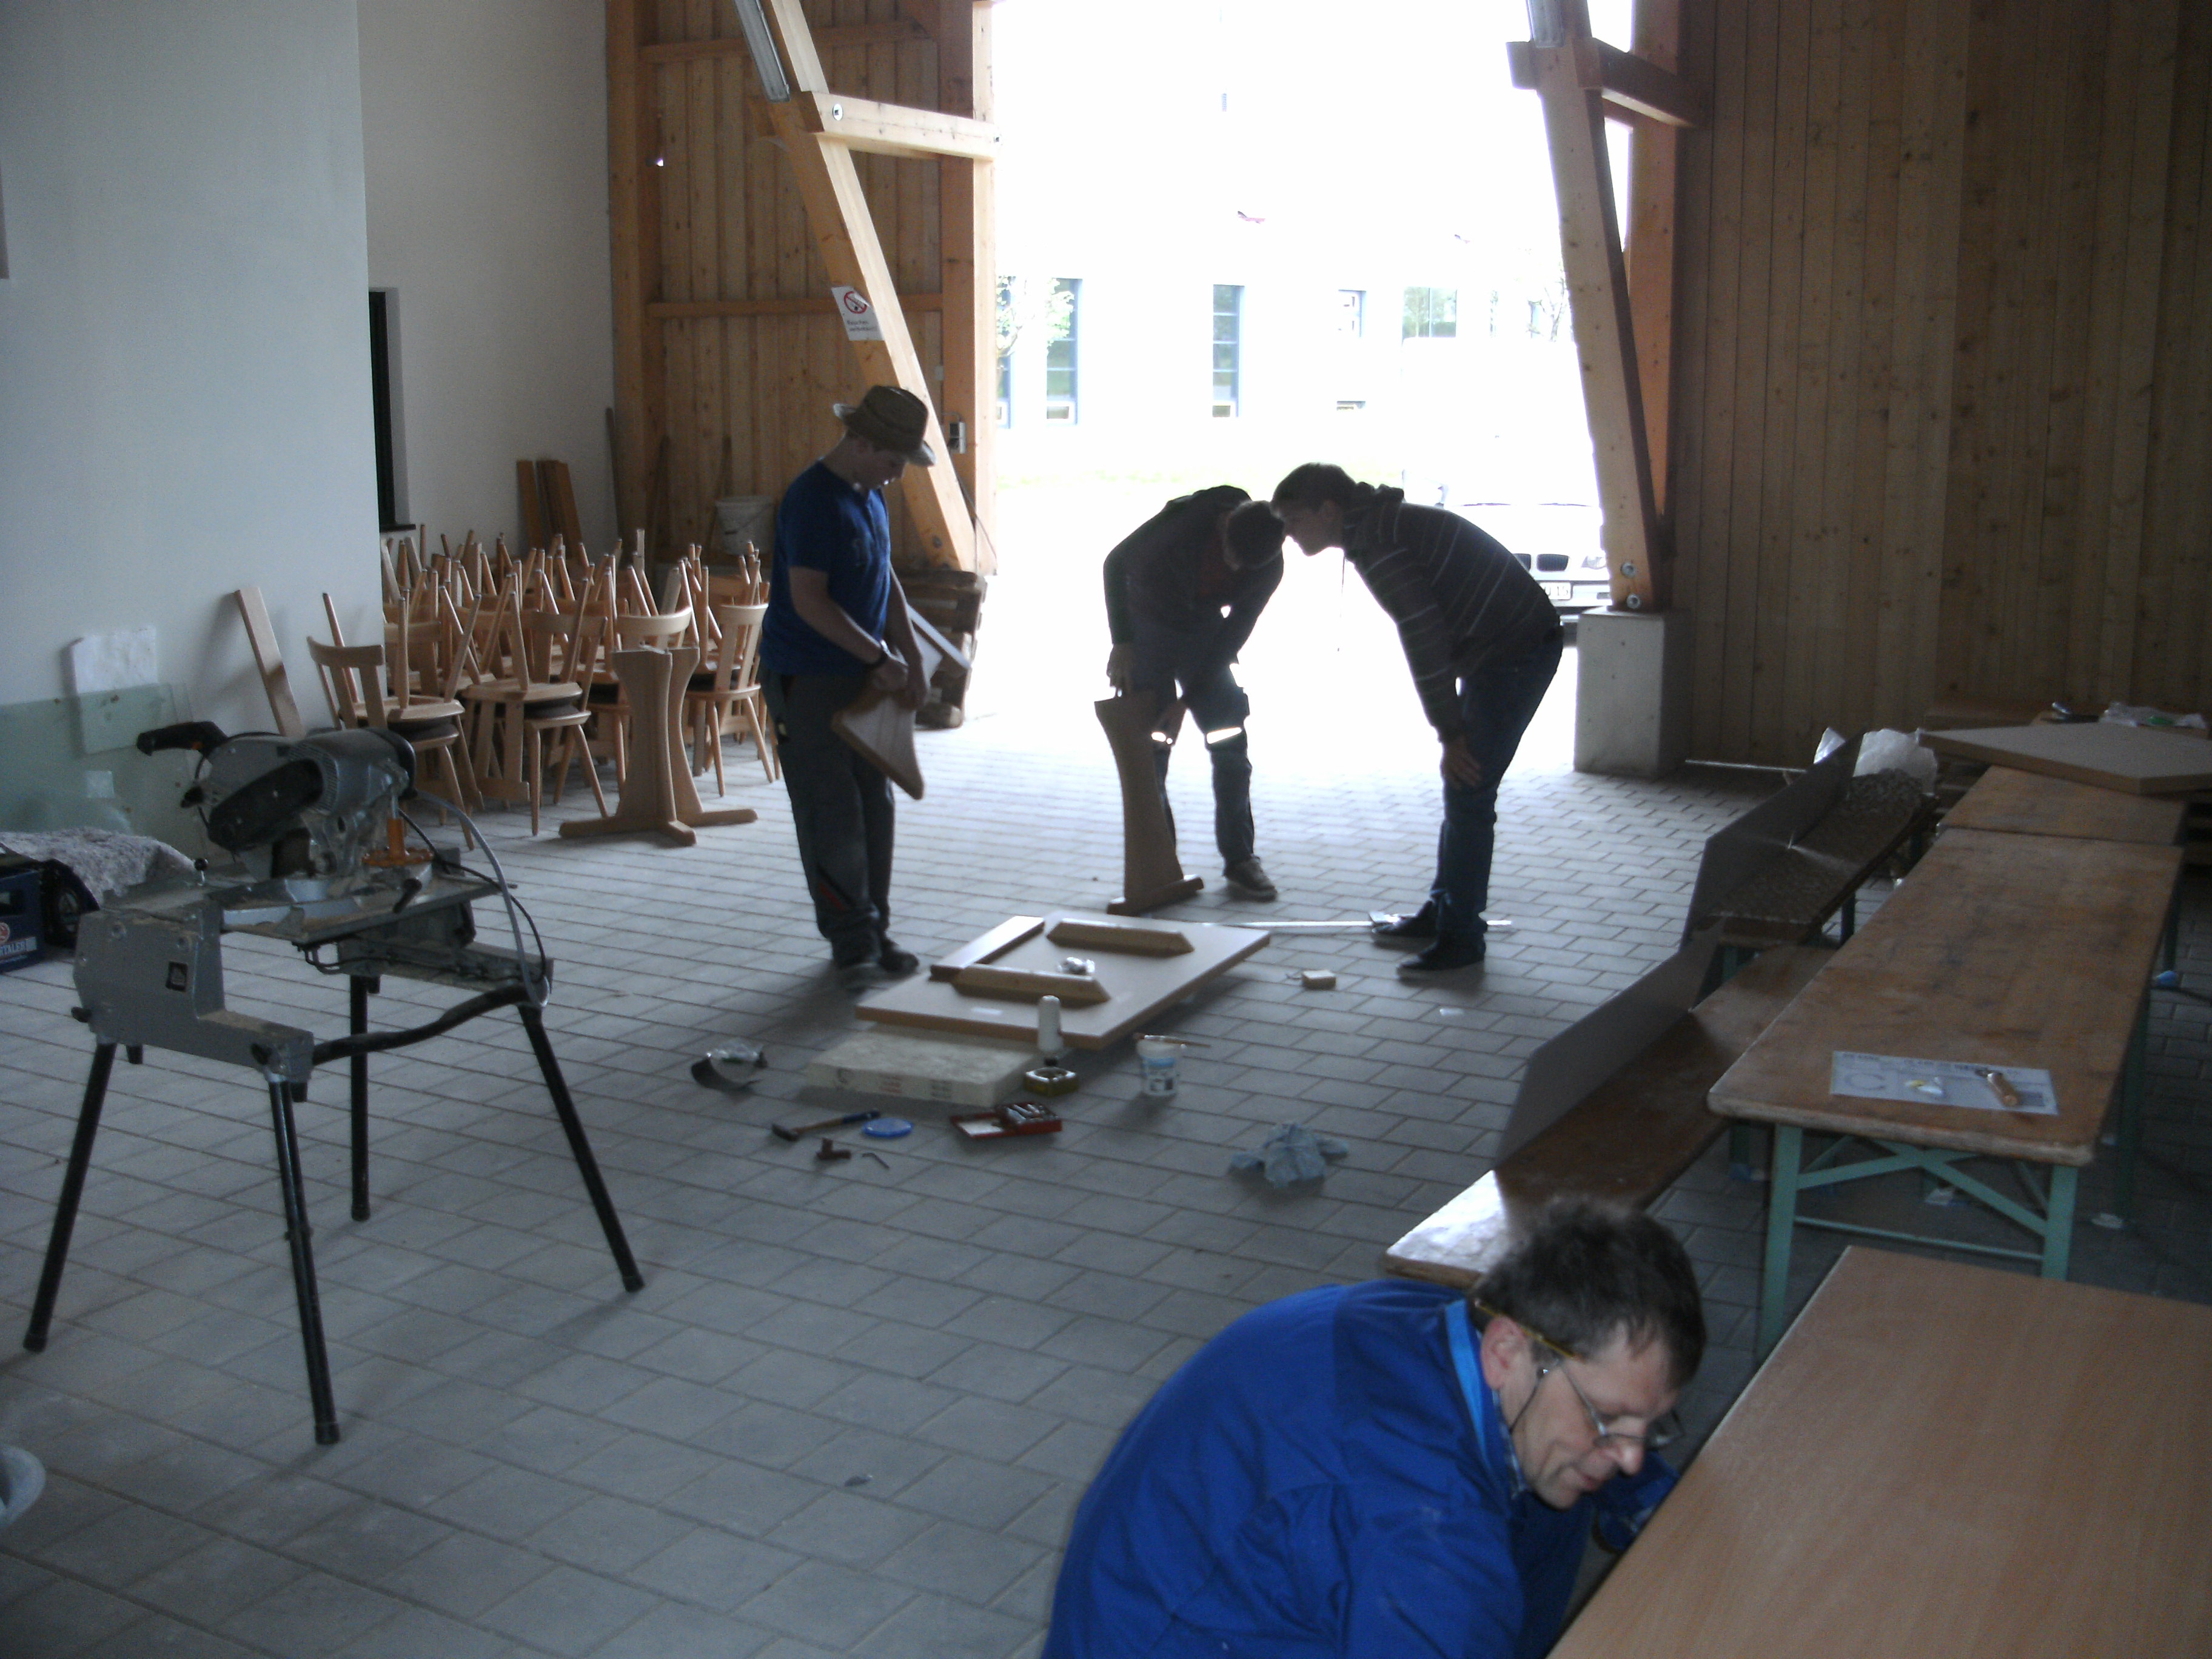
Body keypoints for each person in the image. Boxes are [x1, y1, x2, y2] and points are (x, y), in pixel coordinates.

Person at [1044, 1201, 1703, 1659]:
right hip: (1167, 1635)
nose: (1629, 1456)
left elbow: (1603, 1430)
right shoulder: (1424, 1536)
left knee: (1558, 1478)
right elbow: (1429, 1565)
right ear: (1508, 1350)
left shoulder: (1447, 1326)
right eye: (1608, 1419)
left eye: (1649, 1425)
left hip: (1174, 1584)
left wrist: (1651, 1500)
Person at [1272, 464, 1562, 974]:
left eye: (1294, 520)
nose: (1289, 535)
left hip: (1517, 650)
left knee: (1469, 789)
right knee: (1463, 790)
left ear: (1329, 510)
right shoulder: (1379, 528)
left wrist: (1451, 734)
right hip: (1499, 646)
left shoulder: (1382, 544)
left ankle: (1461, 939)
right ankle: (1442, 912)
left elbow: (1424, 639)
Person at [760, 386, 936, 989]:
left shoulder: (869, 494)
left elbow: (885, 580)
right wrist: (878, 656)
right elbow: (810, 601)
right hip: (808, 675)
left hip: (862, 672)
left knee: (874, 805)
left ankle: (875, 929)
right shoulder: (812, 500)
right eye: (892, 460)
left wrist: (911, 656)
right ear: (860, 442)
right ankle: (851, 943)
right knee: (831, 809)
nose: (897, 474)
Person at [1102, 488, 1287, 899]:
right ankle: (1161, 864)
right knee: (1152, 749)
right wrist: (1123, 641)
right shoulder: (1185, 523)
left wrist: (1185, 703)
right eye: (1230, 555)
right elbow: (1115, 562)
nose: (1234, 567)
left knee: (1229, 740)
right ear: (1224, 524)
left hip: (1204, 629)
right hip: (1149, 624)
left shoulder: (1267, 564)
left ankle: (1241, 860)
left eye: (1243, 565)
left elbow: (1234, 633)